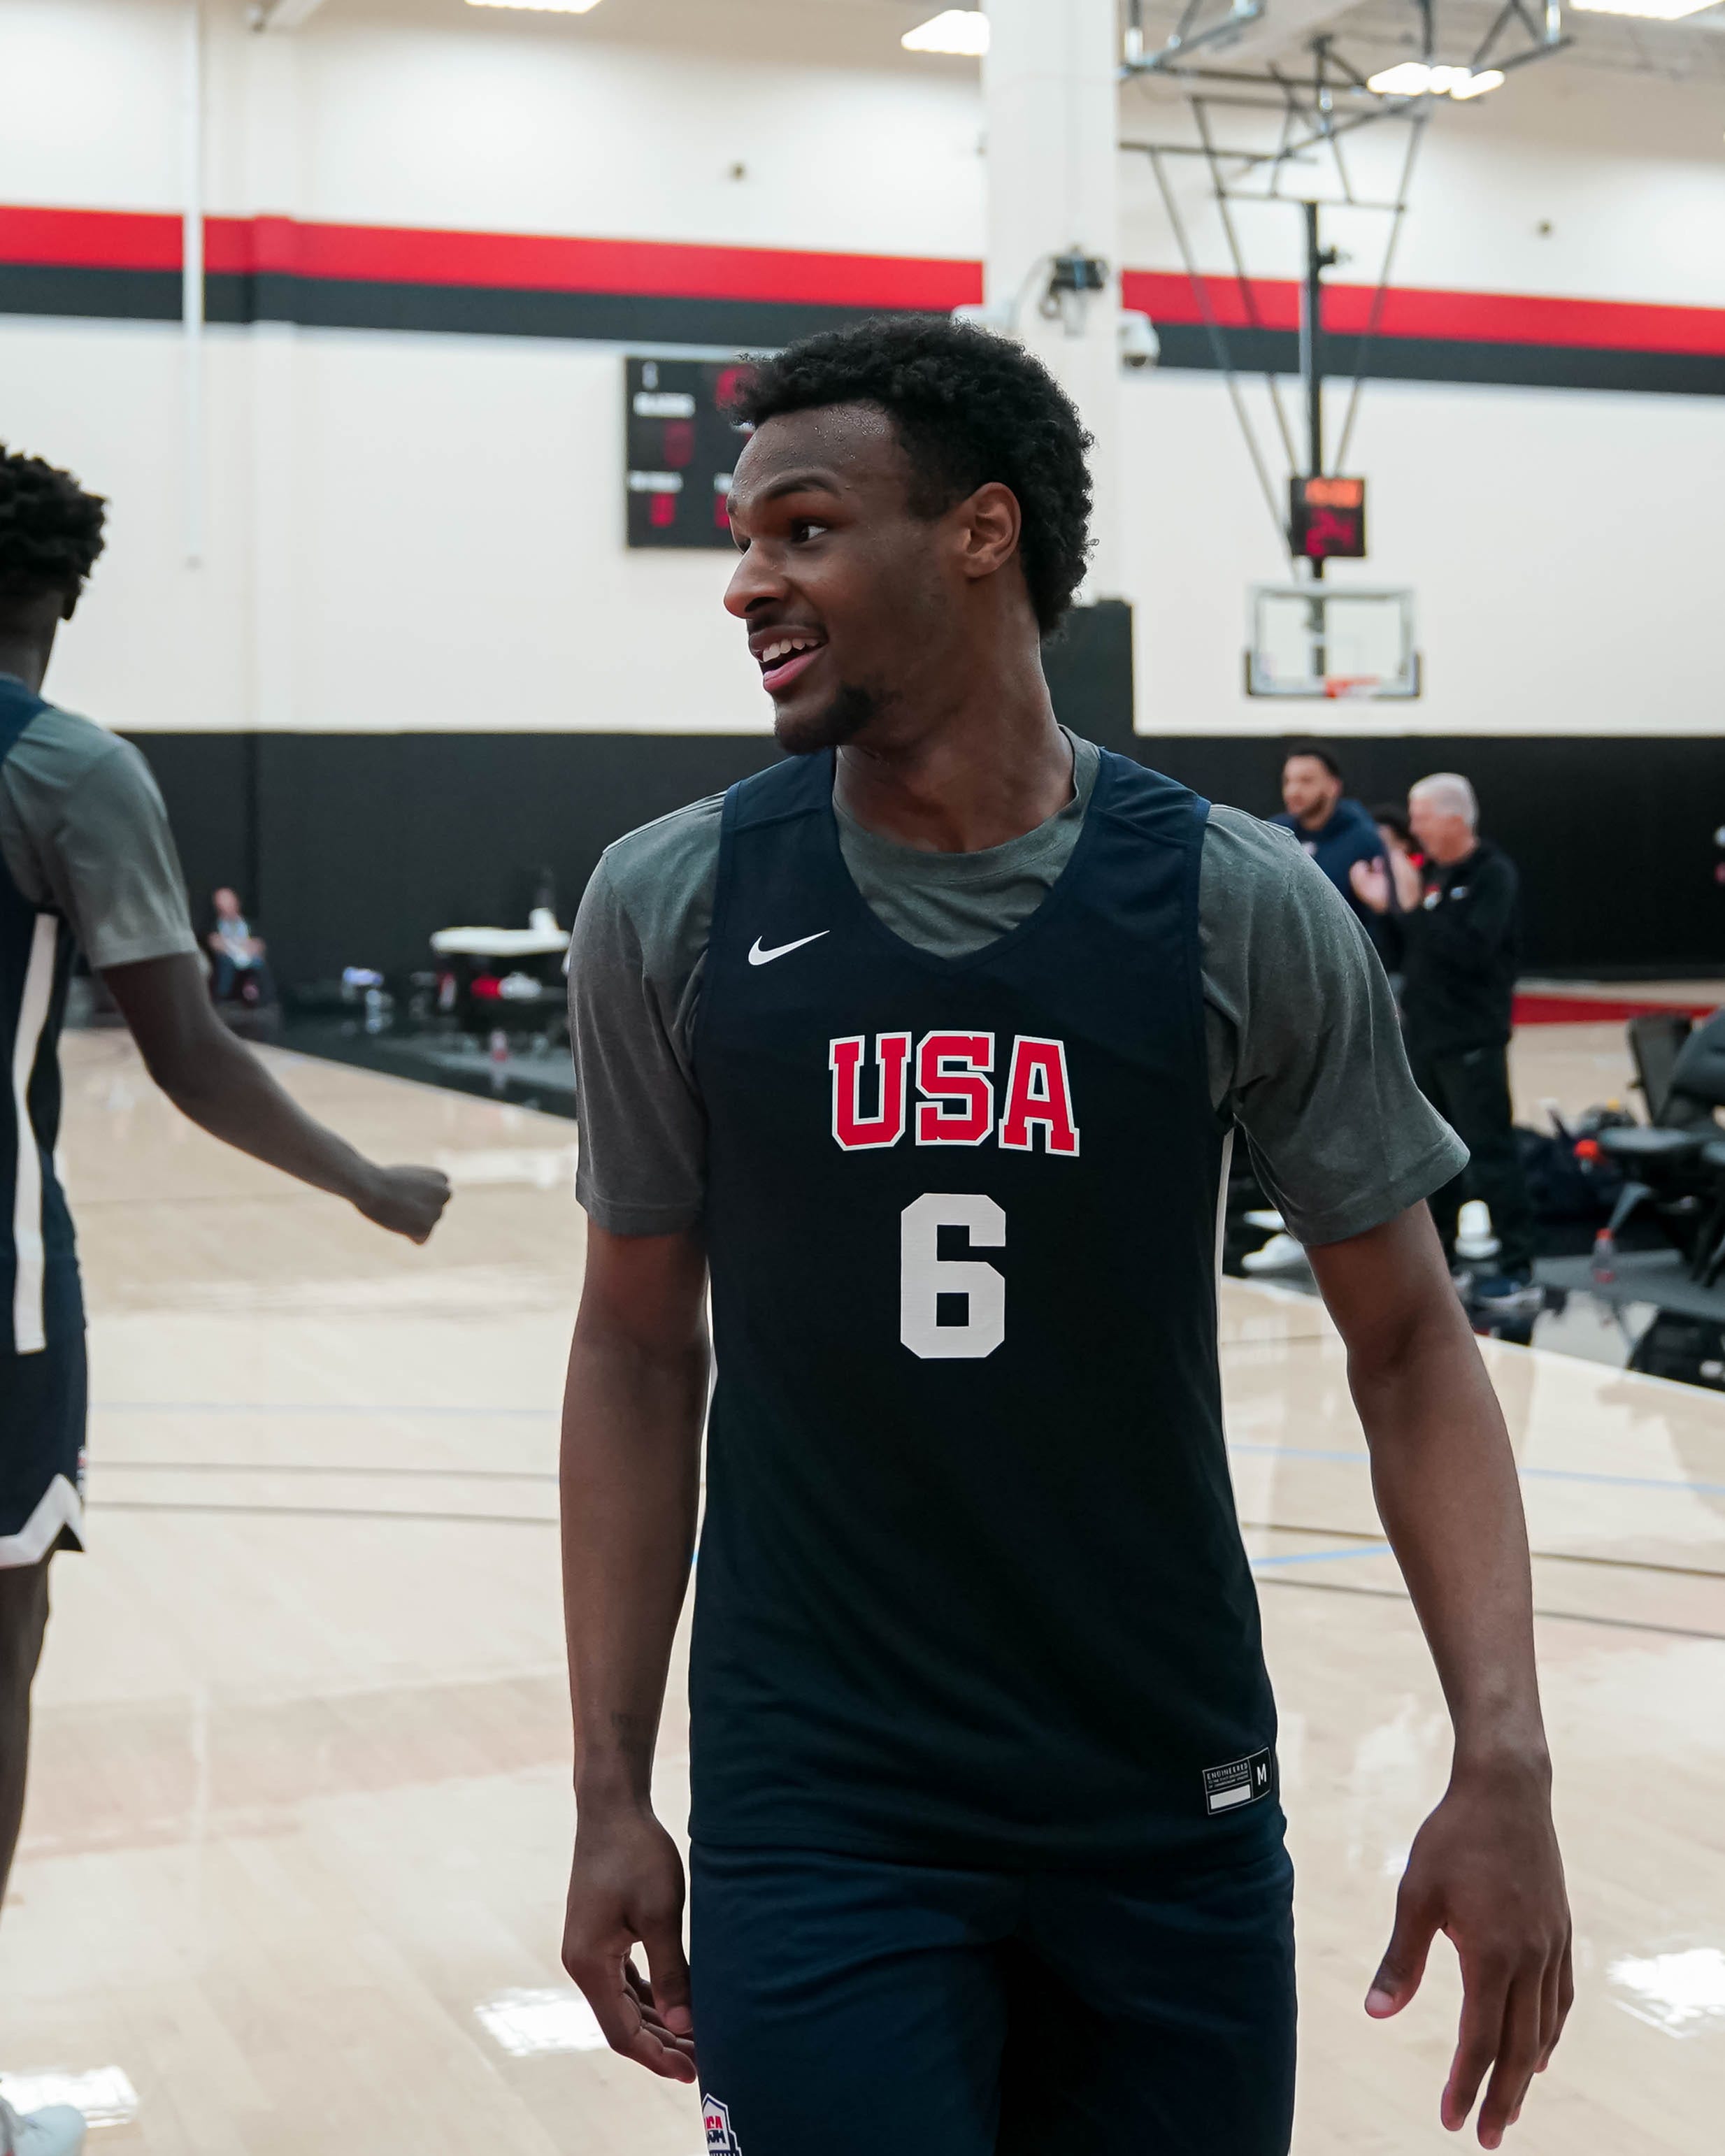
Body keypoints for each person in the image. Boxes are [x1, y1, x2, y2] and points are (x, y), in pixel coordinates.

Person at [557, 320, 1570, 2156]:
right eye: (740, 532)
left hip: (1158, 1787)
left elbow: (1414, 1347)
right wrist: (609, 1786)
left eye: (799, 527)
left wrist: (1499, 1749)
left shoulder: (1232, 899)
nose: (744, 582)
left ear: (979, 534)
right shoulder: (677, 899)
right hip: (822, 1801)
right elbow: (637, 1349)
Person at [0, 446, 452, 2156]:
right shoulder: (61, 767)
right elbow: (183, 1050)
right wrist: (367, 1176)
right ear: (64, 594)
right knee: (0, 1645)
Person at [1352, 773, 1538, 1309]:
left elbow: (1469, 953)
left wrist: (1411, 910)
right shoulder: (1429, 874)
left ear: (1454, 818)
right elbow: (1408, 951)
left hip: (1472, 1038)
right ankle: (1446, 1264)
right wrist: (1383, 906)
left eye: (1422, 816)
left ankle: (1517, 1268)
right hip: (1425, 1038)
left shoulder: (1491, 875)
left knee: (1490, 1153)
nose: (1413, 828)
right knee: (1434, 1159)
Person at [1272, 744, 1384, 918]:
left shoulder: (1364, 840)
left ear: (1333, 786)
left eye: (1306, 781)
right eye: (1288, 781)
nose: (1293, 791)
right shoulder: (1274, 833)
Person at [207, 885, 274, 1006]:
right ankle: (224, 999)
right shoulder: (215, 926)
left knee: (259, 965)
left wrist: (251, 948)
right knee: (225, 964)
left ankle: (260, 997)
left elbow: (259, 944)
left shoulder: (248, 924)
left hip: (249, 957)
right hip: (228, 958)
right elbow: (214, 943)